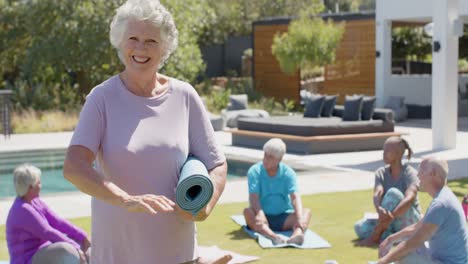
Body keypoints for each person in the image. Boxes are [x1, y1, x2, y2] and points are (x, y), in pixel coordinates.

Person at [62, 0, 227, 263]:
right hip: (117, 256)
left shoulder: (185, 96)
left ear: (164, 47)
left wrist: (204, 206)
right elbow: (74, 166)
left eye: (151, 40)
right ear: (120, 42)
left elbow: (216, 164)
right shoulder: (101, 98)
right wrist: (124, 199)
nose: (141, 48)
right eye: (133, 38)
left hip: (179, 254)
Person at [377, 157, 468, 264]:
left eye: (422, 170)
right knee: (406, 250)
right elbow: (416, 228)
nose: (418, 175)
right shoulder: (444, 196)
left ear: (433, 173)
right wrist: (390, 239)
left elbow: (412, 243)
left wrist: (382, 262)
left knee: (405, 255)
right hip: (444, 259)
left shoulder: (441, 204)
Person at [6, 164, 90, 264]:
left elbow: (58, 222)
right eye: (38, 182)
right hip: (26, 260)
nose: (40, 186)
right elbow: (47, 232)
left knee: (79, 243)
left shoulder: (35, 201)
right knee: (66, 249)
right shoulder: (22, 209)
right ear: (30, 187)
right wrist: (76, 248)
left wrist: (83, 236)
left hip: (42, 252)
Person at [243, 138, 311, 245]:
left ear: (279, 159)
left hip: (284, 217)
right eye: (265, 155)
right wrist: (260, 213)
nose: (266, 159)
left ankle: (297, 235)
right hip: (262, 217)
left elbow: (295, 196)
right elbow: (253, 197)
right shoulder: (254, 171)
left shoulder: (288, 173)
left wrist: (298, 217)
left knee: (306, 212)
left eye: (270, 157)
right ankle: (273, 237)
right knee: (247, 212)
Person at [355, 137, 421, 245]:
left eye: (388, 151)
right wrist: (379, 209)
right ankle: (392, 236)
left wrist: (390, 218)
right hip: (388, 221)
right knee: (359, 227)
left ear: (399, 154)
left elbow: (410, 198)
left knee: (393, 193)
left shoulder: (410, 173)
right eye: (383, 151)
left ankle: (376, 235)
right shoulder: (381, 173)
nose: (384, 154)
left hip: (408, 220)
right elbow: (378, 192)